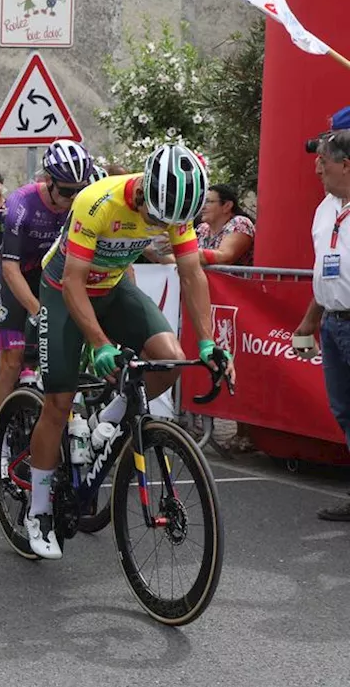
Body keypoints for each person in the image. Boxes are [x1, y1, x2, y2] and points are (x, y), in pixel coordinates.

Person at [28, 144, 235, 558]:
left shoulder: (173, 210)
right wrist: (100, 344)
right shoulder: (97, 201)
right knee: (59, 400)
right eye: (157, 218)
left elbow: (192, 275)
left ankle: (112, 416)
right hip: (63, 290)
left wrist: (210, 343)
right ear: (143, 191)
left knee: (169, 358)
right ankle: (38, 511)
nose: (162, 225)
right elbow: (73, 282)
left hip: (113, 287)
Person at [0, 141, 94, 413]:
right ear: (48, 180)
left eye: (80, 190)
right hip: (17, 275)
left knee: (47, 359)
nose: (74, 198)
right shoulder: (21, 203)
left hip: (48, 277)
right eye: (66, 191)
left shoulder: (79, 206)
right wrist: (38, 311)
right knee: (11, 361)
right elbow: (9, 268)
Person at [291, 118, 350, 520]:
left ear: (346, 164)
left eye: (324, 161)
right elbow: (324, 271)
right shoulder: (323, 209)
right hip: (332, 323)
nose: (317, 167)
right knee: (345, 412)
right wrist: (308, 322)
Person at [195, 184, 255, 268]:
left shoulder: (240, 223)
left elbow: (225, 257)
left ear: (227, 206)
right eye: (201, 202)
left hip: (233, 281)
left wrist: (184, 252)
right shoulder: (202, 228)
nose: (202, 207)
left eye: (208, 202)